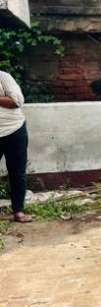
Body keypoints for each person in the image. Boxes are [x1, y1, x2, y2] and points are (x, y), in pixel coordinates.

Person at [0, 69, 32, 222]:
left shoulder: (3, 77)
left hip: (14, 130)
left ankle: (18, 211)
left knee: (17, 172)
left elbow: (17, 101)